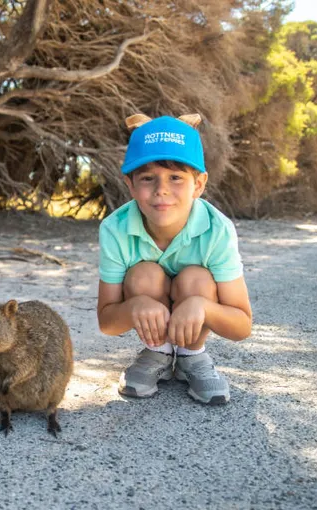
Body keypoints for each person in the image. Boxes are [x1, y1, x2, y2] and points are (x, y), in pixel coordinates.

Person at [96, 113, 252, 405]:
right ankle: (158, 351)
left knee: (197, 278)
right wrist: (134, 306)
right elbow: (107, 322)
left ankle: (191, 356)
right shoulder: (115, 229)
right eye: (147, 178)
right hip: (150, 311)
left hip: (193, 308)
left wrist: (202, 306)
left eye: (176, 177)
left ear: (199, 184)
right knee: (143, 275)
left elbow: (242, 325)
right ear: (130, 185)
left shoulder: (217, 229)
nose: (161, 190)